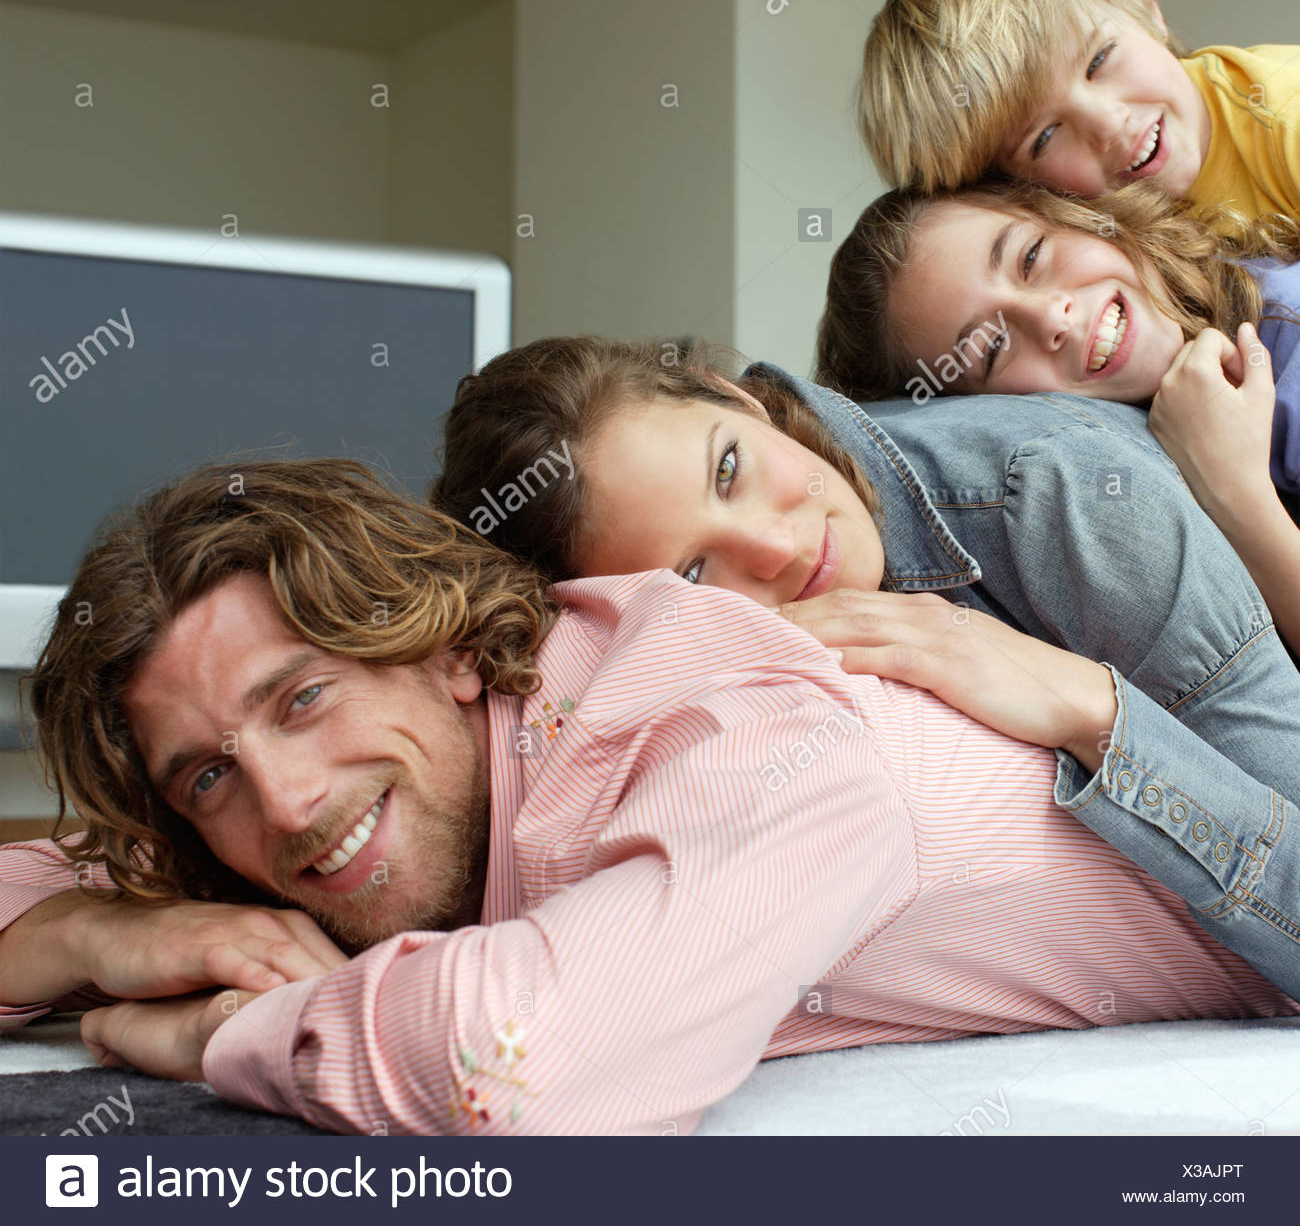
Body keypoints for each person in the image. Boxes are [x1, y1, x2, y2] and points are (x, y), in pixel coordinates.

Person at [1, 458, 1296, 1138]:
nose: (283, 804)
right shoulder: (419, 776)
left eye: (302, 699)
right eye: (208, 775)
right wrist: (81, 935)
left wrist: (199, 1035)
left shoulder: (716, 709)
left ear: (449, 647)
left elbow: (520, 1073)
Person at [435, 335, 1300, 994]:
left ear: (733, 396)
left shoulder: (1064, 495)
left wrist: (1088, 709)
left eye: (729, 468)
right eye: (695, 574)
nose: (777, 549)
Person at [816, 178, 1300, 655]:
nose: (1053, 316)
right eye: (993, 347)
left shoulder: (1286, 331)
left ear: (1074, 212)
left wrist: (1237, 494)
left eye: (1031, 257)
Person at [856, 0, 1300, 228]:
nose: (1107, 124)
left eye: (1099, 60)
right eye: (1044, 137)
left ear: (1147, 12)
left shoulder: (1284, 118)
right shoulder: (1088, 244)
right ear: (1013, 193)